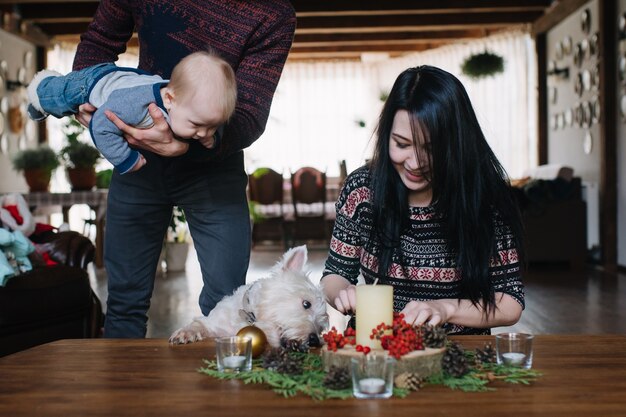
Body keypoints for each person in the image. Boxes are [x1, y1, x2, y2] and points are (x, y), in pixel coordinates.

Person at [71, 0, 296, 338]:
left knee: (227, 302)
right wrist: (85, 93)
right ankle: (120, 392)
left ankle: (222, 389)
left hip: (215, 168)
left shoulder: (274, 13)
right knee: (124, 304)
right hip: (138, 163)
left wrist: (186, 137)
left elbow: (249, 113)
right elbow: (98, 41)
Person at [321, 65, 525, 335]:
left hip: (459, 353)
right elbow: (333, 275)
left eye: (432, 149)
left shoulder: (485, 197)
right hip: (374, 347)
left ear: (457, 143)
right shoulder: (362, 190)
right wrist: (344, 294)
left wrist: (445, 309)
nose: (415, 164)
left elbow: (510, 302)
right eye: (402, 144)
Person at [27, 51, 237, 174]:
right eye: (197, 125)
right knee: (60, 96)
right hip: (94, 83)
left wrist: (213, 137)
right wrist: (126, 159)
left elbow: (207, 124)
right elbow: (100, 123)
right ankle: (40, 94)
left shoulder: (190, 106)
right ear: (169, 100)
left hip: (127, 81)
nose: (203, 133)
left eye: (213, 126)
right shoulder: (136, 106)